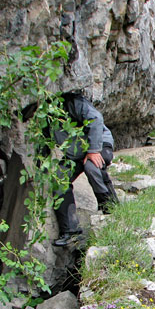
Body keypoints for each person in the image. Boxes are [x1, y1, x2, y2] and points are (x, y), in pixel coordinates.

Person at [51, 92, 118, 246]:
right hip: (75, 153)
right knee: (59, 179)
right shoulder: (45, 119)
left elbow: (96, 119)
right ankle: (70, 231)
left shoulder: (70, 102)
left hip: (98, 143)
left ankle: (111, 209)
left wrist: (93, 150)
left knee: (92, 167)